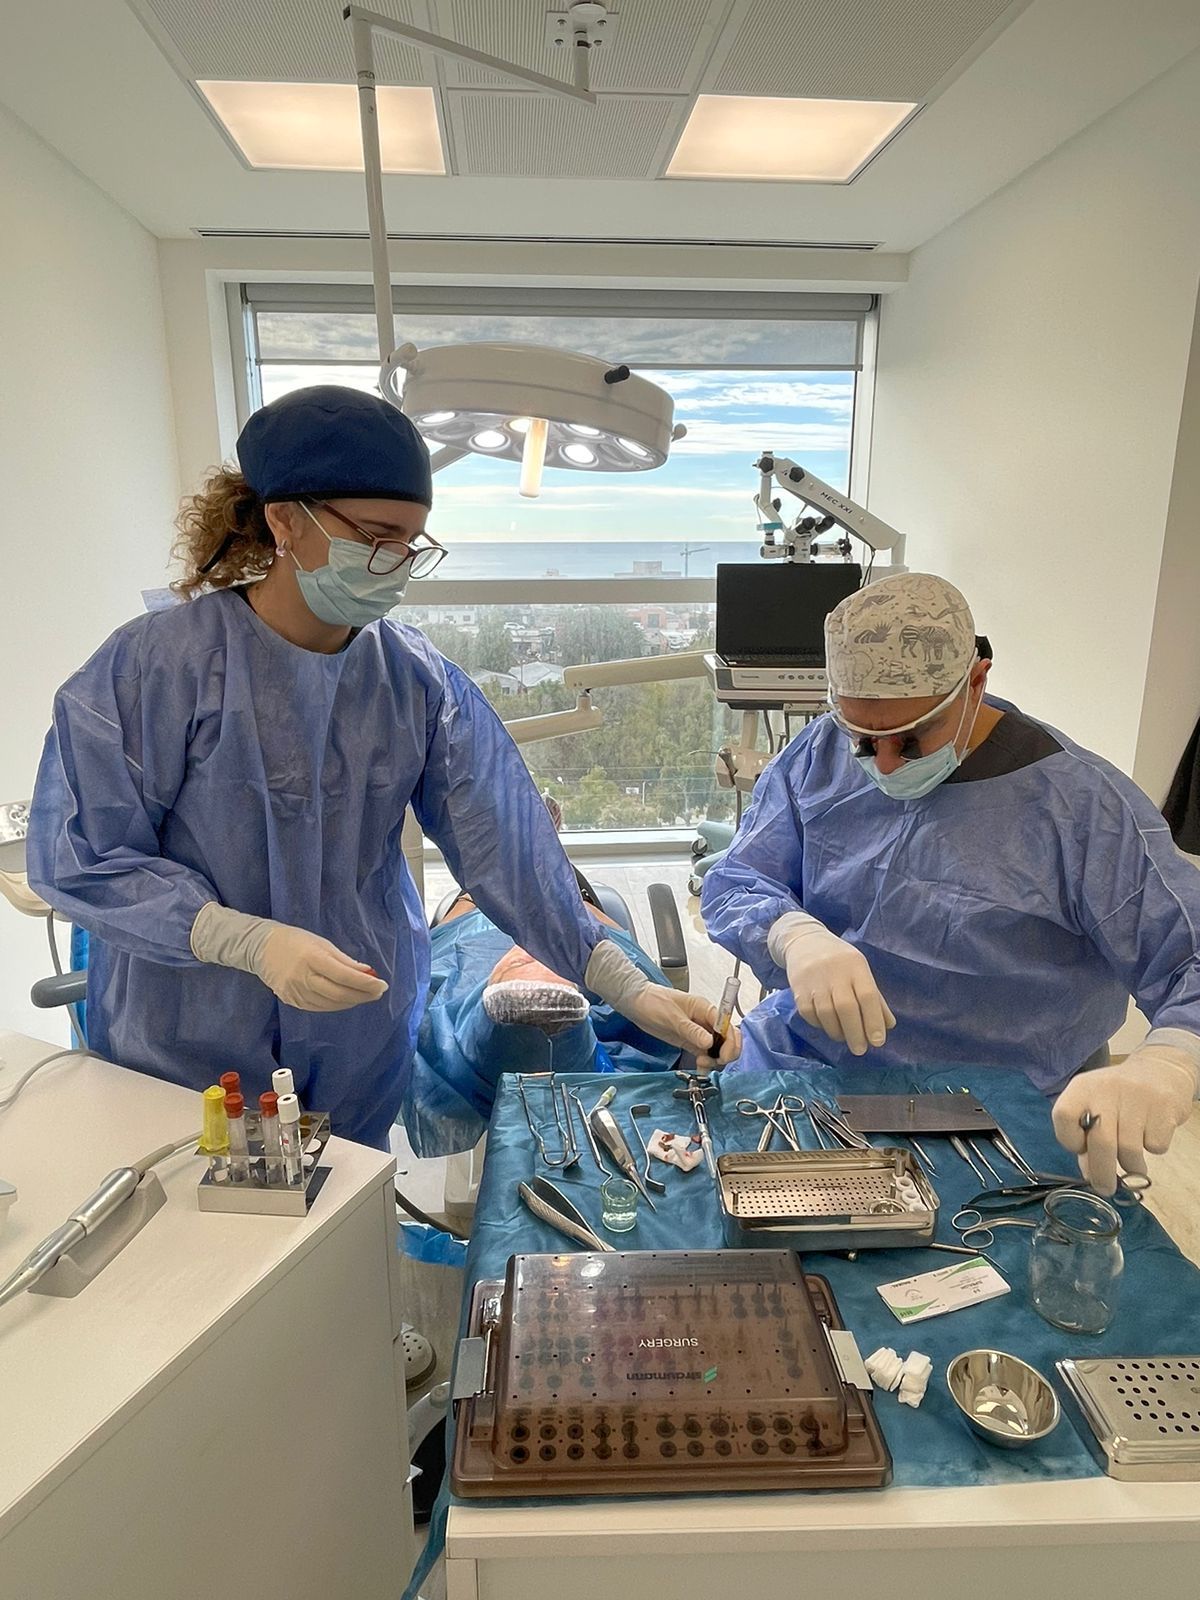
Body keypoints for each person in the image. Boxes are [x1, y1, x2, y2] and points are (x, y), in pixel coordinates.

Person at [28, 385, 736, 1152]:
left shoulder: (415, 684)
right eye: (376, 535)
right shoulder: (156, 670)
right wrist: (245, 941)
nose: (396, 562)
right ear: (283, 519)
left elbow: (509, 853)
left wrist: (632, 990)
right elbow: (80, 857)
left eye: (412, 543)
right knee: (203, 1257)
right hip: (184, 1043)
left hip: (353, 1038)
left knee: (334, 1242)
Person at [701, 571, 1200, 1195]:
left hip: (995, 1116)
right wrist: (793, 934)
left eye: (910, 740)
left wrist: (1168, 1062)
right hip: (806, 1074)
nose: (882, 764)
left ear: (975, 682)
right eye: (863, 739)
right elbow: (738, 878)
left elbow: (1190, 956)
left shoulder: (1082, 808)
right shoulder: (817, 752)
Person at [404, 872, 691, 1157]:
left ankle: (516, 1001)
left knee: (444, 1007)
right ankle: (540, 996)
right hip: (562, 908)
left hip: (487, 911)